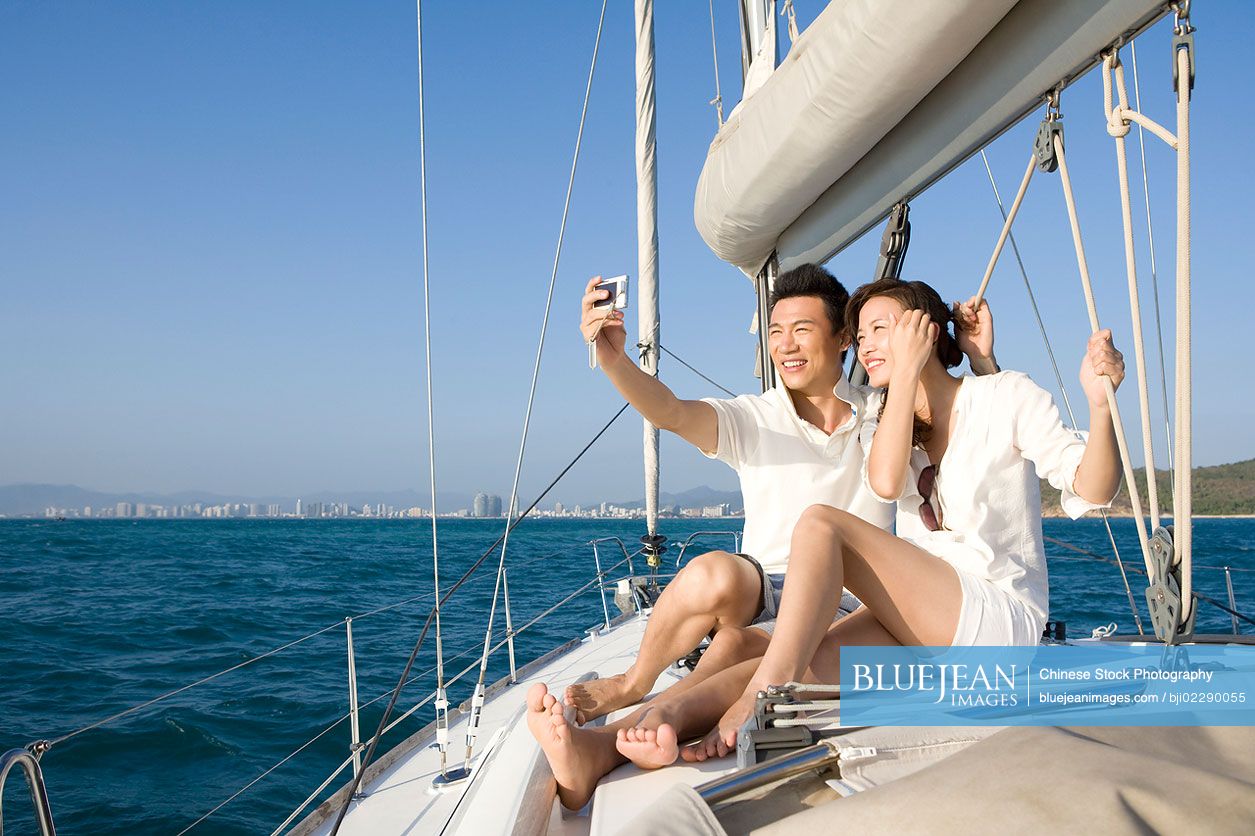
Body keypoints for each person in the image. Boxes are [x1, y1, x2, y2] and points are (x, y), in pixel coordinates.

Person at [526, 278, 1123, 805]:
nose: (867, 346)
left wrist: (1097, 404)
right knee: (758, 652)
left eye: (878, 330)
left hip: (995, 627)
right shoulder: (890, 420)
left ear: (919, 331)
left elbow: (1080, 479)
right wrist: (609, 358)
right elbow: (678, 413)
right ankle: (604, 748)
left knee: (818, 527)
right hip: (922, 622)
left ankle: (765, 695)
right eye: (864, 334)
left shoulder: (952, 400)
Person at [566, 265, 999, 722]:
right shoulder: (754, 418)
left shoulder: (884, 411)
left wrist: (980, 362)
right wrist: (615, 361)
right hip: (761, 589)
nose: (785, 344)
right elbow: (671, 412)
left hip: (851, 596)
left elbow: (970, 429)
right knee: (711, 572)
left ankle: (655, 720)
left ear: (843, 339)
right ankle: (636, 684)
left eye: (802, 330)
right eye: (775, 332)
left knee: (734, 647)